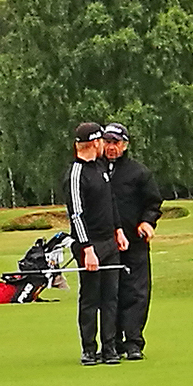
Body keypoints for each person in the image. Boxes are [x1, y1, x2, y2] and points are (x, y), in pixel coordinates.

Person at [62, 122, 129, 366]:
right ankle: (89, 349)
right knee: (90, 299)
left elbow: (110, 202)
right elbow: (76, 215)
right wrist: (87, 249)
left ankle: (109, 348)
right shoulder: (76, 174)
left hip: (109, 242)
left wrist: (118, 230)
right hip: (89, 246)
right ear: (94, 143)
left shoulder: (101, 167)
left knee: (111, 298)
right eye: (102, 141)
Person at [102, 122, 163, 360]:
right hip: (105, 243)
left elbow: (153, 203)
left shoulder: (139, 173)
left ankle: (133, 342)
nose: (111, 147)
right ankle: (112, 343)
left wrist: (147, 222)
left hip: (134, 241)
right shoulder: (95, 170)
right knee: (110, 294)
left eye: (116, 143)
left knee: (136, 293)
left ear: (125, 145)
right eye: (107, 142)